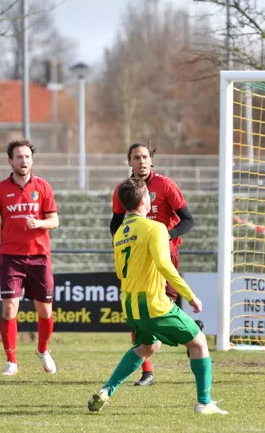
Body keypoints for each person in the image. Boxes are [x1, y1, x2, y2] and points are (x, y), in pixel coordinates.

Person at [88, 177, 226, 415]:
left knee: (146, 347)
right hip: (154, 303)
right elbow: (164, 264)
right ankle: (204, 403)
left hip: (130, 304)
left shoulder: (120, 233)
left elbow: (121, 271)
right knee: (199, 342)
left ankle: (106, 390)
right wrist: (190, 295)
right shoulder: (156, 227)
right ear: (146, 200)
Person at [109, 141, 196, 386]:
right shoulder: (124, 190)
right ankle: (147, 372)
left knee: (160, 311)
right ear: (129, 162)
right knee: (137, 311)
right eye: (136, 157)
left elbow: (188, 221)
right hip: (137, 259)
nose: (142, 161)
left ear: (151, 160)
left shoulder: (165, 185)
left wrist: (164, 235)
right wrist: (122, 244)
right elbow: (115, 225)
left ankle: (192, 333)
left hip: (164, 256)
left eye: (145, 157)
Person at [0, 140, 59, 376]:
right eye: (19, 157)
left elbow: (54, 221)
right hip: (11, 258)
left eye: (27, 157)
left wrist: (39, 223)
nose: (23, 161)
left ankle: (43, 350)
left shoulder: (43, 187)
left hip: (39, 257)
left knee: (45, 311)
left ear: (32, 160)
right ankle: (11, 361)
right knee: (8, 309)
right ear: (10, 161)